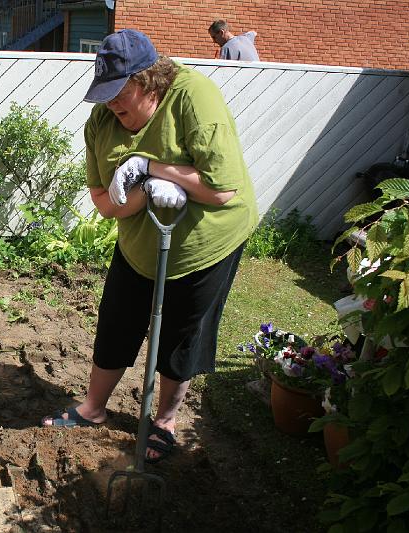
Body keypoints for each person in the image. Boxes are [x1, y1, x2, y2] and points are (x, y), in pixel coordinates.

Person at [41, 29, 258, 464]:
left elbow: (221, 192)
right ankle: (93, 408)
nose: (112, 104)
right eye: (106, 94)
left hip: (206, 243)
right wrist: (142, 192)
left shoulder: (194, 98)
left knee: (181, 334)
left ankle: (164, 422)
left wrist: (153, 166)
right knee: (118, 320)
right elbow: (106, 204)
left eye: (120, 92)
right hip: (142, 243)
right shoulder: (102, 123)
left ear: (149, 80)